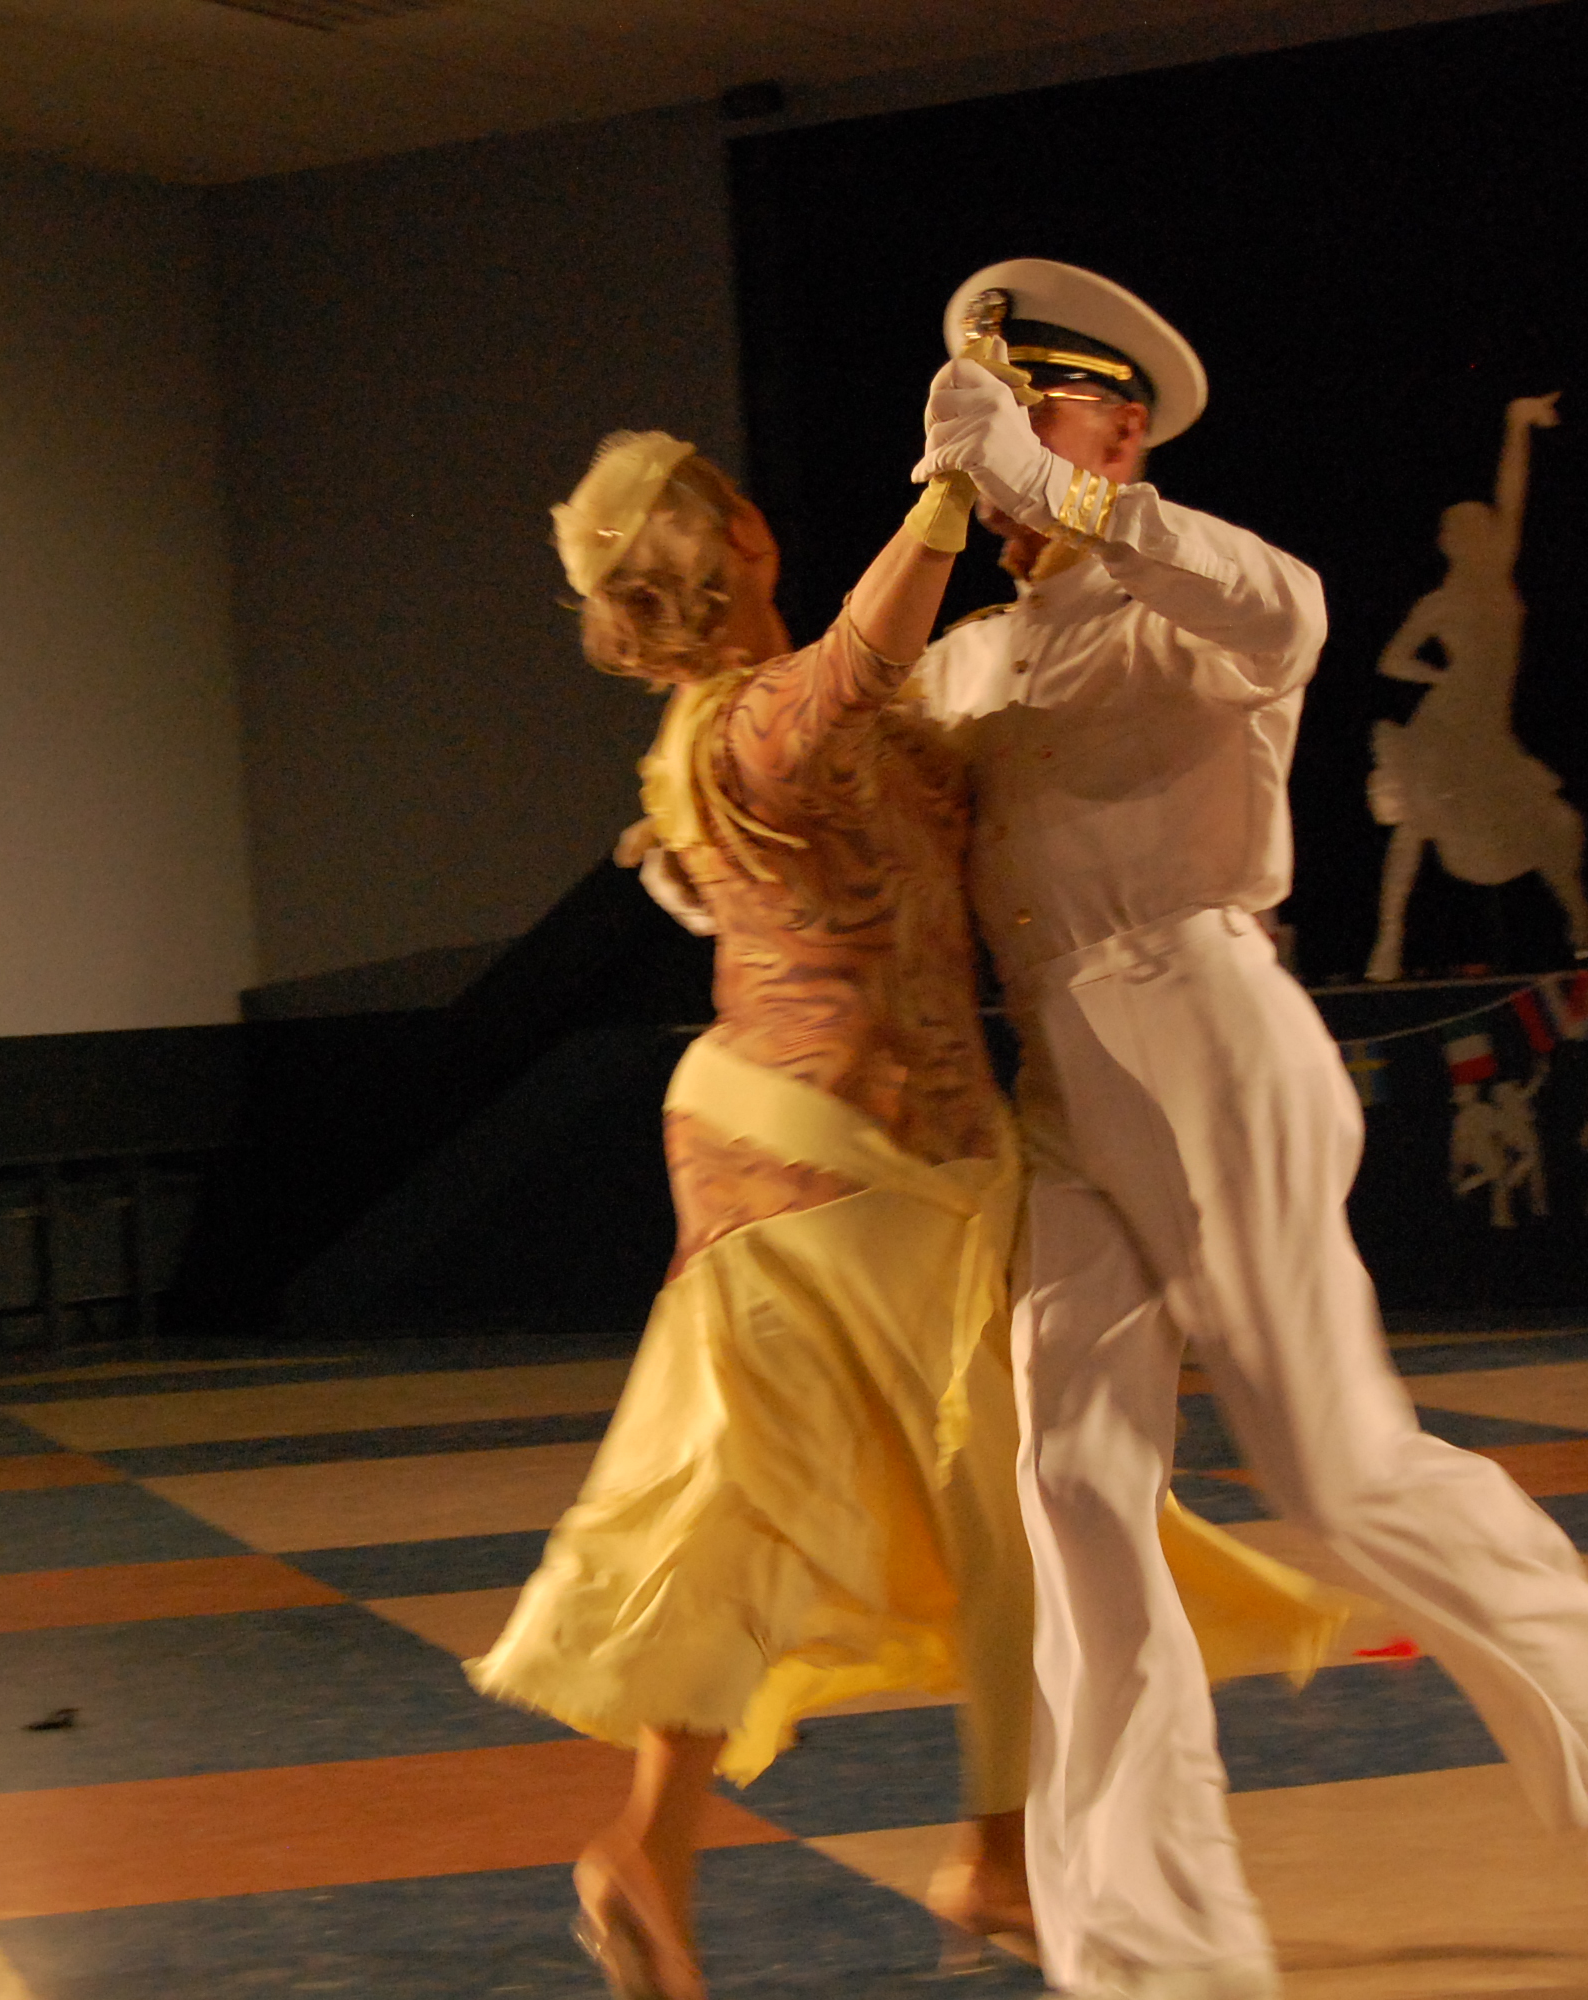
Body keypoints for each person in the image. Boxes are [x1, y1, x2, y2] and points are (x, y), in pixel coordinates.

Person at [910, 258, 1588, 2000]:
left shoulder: (1207, 596)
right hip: (1057, 1072)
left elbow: (1281, 609)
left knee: (1331, 1465)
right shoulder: (969, 660)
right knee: (1070, 1483)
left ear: (1118, 430)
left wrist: (1055, 493)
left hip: (1205, 1025)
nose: (996, 457)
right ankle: (1152, 1938)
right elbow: (853, 777)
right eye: (985, 422)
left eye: (1037, 415)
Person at [468, 429, 1029, 2000]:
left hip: (791, 1145)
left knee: (754, 1504)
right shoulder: (766, 716)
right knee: (1002, 1505)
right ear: (740, 540)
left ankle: (655, 1849)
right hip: (859, 1152)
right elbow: (862, 660)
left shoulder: (697, 739)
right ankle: (995, 1853)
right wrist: (950, 489)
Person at [1365, 394, 1588, 980]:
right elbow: (1392, 660)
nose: (1481, 531)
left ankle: (1584, 926)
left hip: (1487, 727)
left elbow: (1513, 493)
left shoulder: (1498, 577)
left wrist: (1516, 424)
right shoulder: (1440, 603)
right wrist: (1441, 676)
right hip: (1447, 723)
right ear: (1448, 540)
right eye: (1466, 526)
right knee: (1418, 820)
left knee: (1545, 821)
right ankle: (1389, 941)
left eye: (1483, 525)